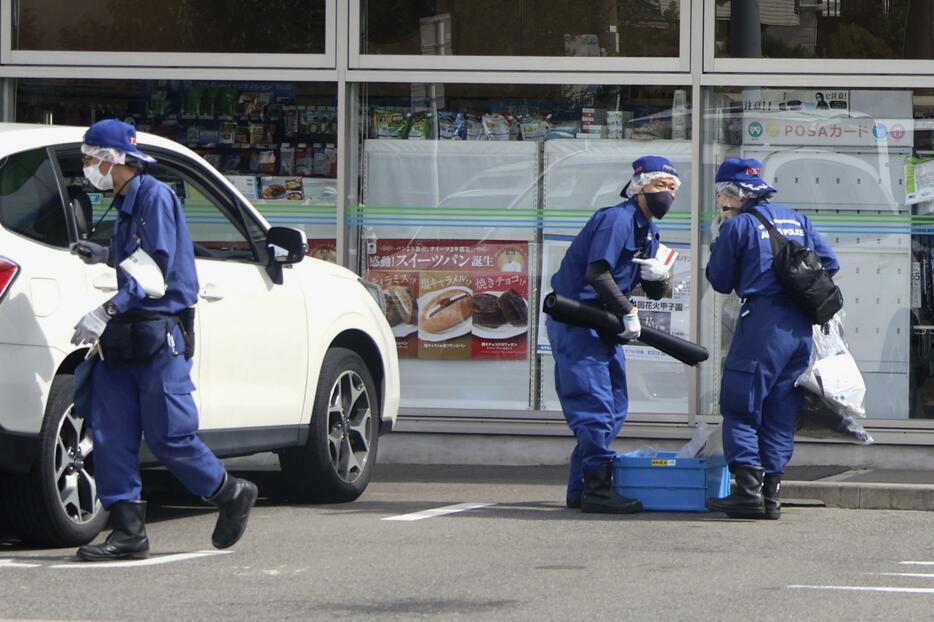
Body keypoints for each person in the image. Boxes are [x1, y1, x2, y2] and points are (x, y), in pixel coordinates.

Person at [69, 119, 258, 560]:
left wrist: (106, 310)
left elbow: (153, 275)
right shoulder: (125, 202)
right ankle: (128, 533)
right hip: (127, 336)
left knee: (169, 436)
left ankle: (230, 492)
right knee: (110, 431)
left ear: (114, 159)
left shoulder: (155, 197)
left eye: (90, 158)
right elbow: (139, 257)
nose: (87, 167)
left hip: (158, 334)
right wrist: (107, 255)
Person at [705, 158, 839, 520]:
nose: (720, 202)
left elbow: (719, 281)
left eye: (721, 195)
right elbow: (830, 262)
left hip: (762, 323)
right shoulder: (797, 219)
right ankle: (771, 496)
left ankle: (747, 494)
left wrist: (721, 237)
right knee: (781, 411)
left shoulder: (739, 226)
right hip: (799, 328)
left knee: (741, 405)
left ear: (731, 193)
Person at [548, 156, 680, 513]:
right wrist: (629, 311)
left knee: (616, 405)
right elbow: (596, 274)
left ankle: (580, 489)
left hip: (607, 324)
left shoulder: (649, 231)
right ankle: (597, 488)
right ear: (639, 187)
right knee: (595, 405)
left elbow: (654, 293)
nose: (666, 194)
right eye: (659, 186)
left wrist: (660, 278)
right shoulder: (616, 220)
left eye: (672, 189)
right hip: (578, 319)